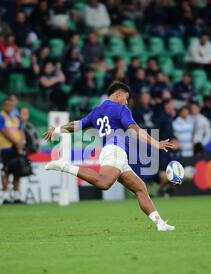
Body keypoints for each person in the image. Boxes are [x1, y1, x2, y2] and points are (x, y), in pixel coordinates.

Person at [44, 82, 176, 231]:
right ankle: (64, 165)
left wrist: (57, 129)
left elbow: (77, 125)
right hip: (115, 151)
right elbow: (134, 130)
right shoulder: (121, 109)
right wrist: (156, 143)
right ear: (118, 94)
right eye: (125, 98)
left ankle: (160, 224)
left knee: (140, 188)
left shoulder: (96, 110)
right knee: (103, 183)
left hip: (113, 153)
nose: (126, 102)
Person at [0, 99, 26, 205]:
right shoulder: (0, 116)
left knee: (18, 172)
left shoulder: (15, 117)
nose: (9, 106)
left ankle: (16, 197)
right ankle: (5, 197)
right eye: (7, 104)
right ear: (3, 105)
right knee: (6, 171)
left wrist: (22, 141)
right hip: (6, 148)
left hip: (17, 148)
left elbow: (21, 130)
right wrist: (15, 142)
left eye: (11, 105)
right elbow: (3, 131)